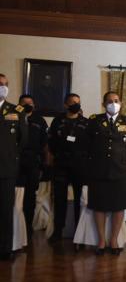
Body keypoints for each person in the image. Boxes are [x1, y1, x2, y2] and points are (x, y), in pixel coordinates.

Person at [86, 91, 126, 255]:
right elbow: (87, 145)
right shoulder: (94, 121)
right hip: (98, 170)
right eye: (109, 101)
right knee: (99, 206)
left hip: (120, 170)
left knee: (119, 206)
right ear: (103, 104)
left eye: (116, 101)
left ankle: (114, 239)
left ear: (120, 103)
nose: (113, 103)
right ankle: (101, 240)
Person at [48, 93, 89, 241]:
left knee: (80, 199)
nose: (76, 105)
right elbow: (51, 143)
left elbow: (90, 146)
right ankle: (58, 230)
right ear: (66, 105)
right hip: (61, 165)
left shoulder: (86, 122)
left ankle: (79, 232)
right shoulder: (57, 121)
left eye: (78, 102)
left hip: (80, 166)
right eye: (72, 102)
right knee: (59, 199)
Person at [0, 73, 27, 260]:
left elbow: (22, 141)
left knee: (5, 210)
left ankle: (4, 249)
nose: (3, 87)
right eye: (0, 84)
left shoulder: (16, 111)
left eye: (5, 84)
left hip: (6, 168)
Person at [17, 94, 48, 241]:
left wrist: (44, 164)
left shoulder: (39, 120)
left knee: (30, 197)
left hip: (33, 163)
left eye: (30, 103)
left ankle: (27, 227)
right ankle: (13, 226)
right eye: (25, 103)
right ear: (19, 104)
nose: (28, 105)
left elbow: (45, 144)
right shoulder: (13, 116)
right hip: (15, 163)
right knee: (14, 196)